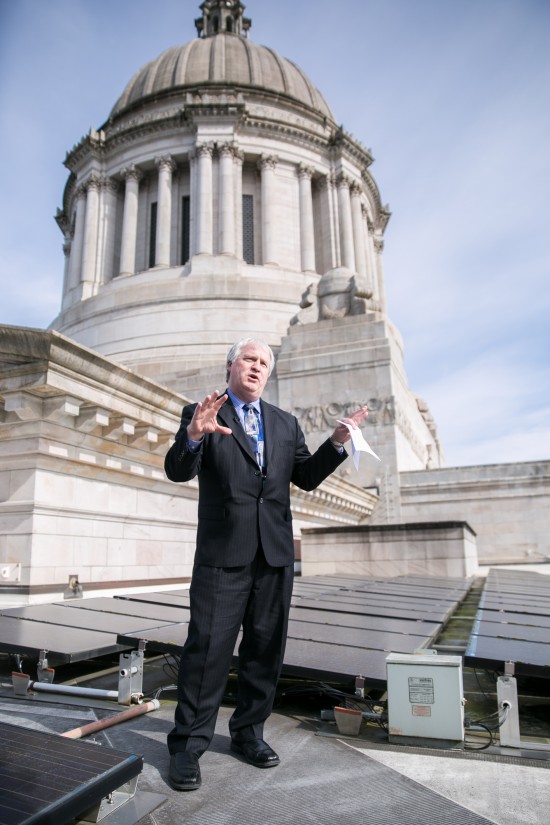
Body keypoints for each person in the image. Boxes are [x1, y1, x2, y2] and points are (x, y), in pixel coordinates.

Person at [164, 338, 368, 791]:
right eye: (249, 359)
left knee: (264, 651)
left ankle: (248, 734)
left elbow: (306, 477)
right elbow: (178, 470)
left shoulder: (284, 423)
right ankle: (187, 746)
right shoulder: (203, 412)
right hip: (223, 557)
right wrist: (195, 435)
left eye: (264, 363)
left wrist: (336, 442)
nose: (257, 367)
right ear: (230, 366)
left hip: (274, 556)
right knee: (208, 652)